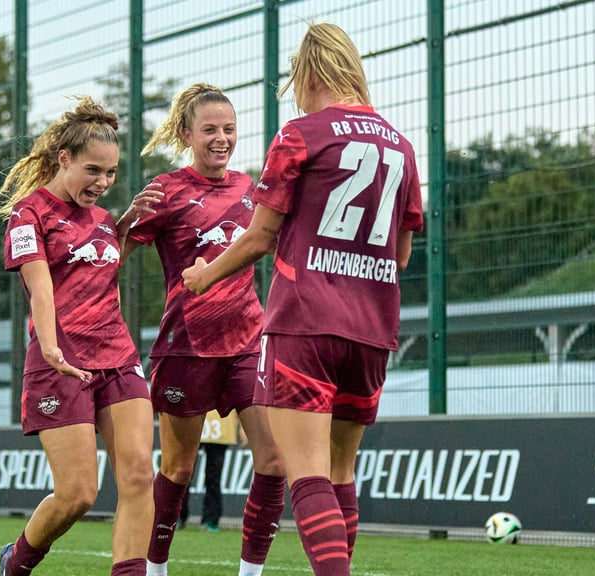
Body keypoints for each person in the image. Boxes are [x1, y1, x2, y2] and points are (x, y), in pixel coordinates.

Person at [182, 23, 424, 576]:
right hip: (372, 329)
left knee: (308, 473)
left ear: (310, 72)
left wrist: (204, 277)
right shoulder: (401, 146)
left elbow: (260, 236)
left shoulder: (301, 134)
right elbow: (403, 254)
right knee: (341, 472)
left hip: (305, 322)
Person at [115, 82, 286, 576]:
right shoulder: (166, 190)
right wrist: (126, 223)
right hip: (185, 349)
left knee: (273, 461)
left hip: (249, 343)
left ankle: (250, 573)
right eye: (210, 129)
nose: (221, 138)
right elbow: (115, 256)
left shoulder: (251, 188)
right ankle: (155, 567)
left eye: (229, 129)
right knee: (178, 469)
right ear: (187, 133)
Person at [0, 96, 153, 576]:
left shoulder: (105, 221)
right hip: (59, 361)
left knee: (140, 476)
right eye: (93, 171)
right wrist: (49, 348)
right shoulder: (29, 214)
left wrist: (123, 230)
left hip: (118, 357)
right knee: (79, 494)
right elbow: (41, 290)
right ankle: (17, 561)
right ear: (64, 159)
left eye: (110, 174)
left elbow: (100, 278)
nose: (102, 183)